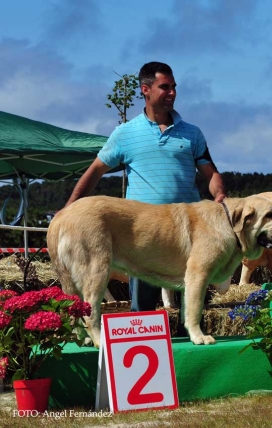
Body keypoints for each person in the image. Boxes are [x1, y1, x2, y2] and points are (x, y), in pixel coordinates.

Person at [64, 61, 227, 312]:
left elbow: (211, 173)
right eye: (165, 87)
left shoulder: (193, 133)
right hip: (143, 236)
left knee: (193, 310)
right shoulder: (124, 133)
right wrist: (69, 208)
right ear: (145, 90)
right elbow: (95, 171)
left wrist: (220, 195)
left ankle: (192, 348)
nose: (172, 92)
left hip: (188, 234)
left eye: (174, 87)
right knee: (143, 312)